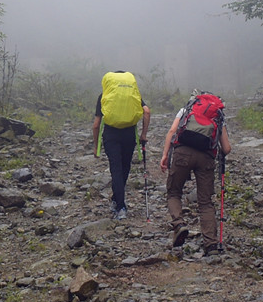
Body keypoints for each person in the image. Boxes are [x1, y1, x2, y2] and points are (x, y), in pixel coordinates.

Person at [160, 91, 231, 253]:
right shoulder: (218, 115)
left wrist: (165, 155)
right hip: (206, 158)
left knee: (174, 192)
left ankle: (179, 224)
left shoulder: (187, 108)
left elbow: (172, 132)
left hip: (182, 154)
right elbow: (226, 148)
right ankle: (211, 244)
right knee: (205, 202)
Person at [91, 70, 150, 219]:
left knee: (115, 169)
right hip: (129, 135)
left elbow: (96, 125)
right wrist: (143, 134)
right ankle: (117, 200)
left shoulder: (104, 95)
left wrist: (95, 146)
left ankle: (120, 206)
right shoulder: (132, 95)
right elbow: (147, 112)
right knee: (125, 168)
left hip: (111, 136)